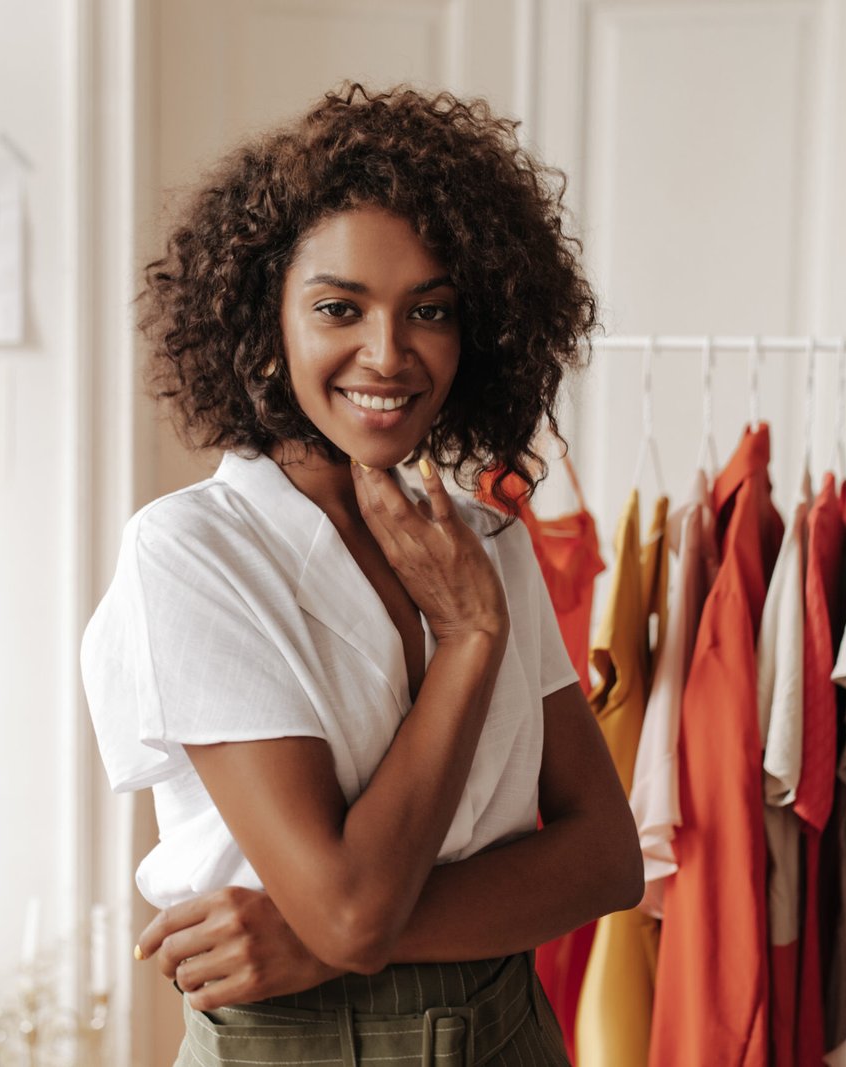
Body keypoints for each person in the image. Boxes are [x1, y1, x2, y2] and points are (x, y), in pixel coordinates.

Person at [81, 81, 641, 1066]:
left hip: (511, 1029)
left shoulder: (487, 542)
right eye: (339, 306)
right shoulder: (194, 554)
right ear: (267, 321)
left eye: (429, 309)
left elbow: (605, 858)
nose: (388, 352)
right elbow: (347, 905)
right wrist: (469, 640)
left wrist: (322, 938)